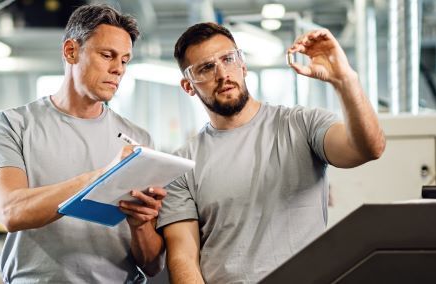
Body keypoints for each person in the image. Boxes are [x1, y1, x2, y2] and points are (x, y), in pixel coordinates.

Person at [158, 23, 386, 283]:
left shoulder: (301, 124)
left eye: (228, 59)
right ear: (188, 86)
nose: (222, 74)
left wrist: (345, 80)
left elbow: (368, 148)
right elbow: (183, 258)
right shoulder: (181, 164)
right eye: (206, 68)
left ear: (242, 65)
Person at [0, 4, 165, 283]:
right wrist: (103, 177)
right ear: (71, 51)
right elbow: (11, 211)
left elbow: (152, 266)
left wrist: (140, 227)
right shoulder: (12, 124)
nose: (118, 69)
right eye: (107, 55)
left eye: (125, 60)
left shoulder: (139, 140)